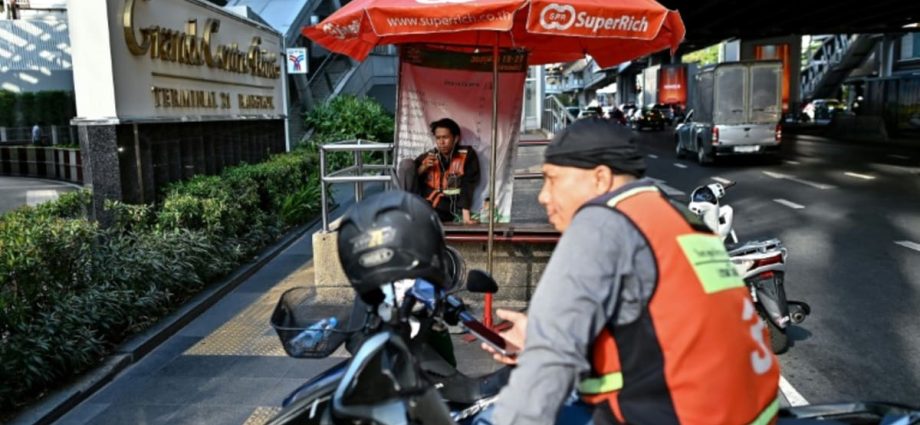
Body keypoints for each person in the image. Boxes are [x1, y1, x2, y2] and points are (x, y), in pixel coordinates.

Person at [480, 118, 780, 425]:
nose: (543, 195)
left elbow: (544, 371)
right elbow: (669, 321)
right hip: (754, 412)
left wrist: (545, 344)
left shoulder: (599, 224)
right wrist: (547, 332)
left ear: (600, 179)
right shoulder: (679, 217)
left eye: (552, 179)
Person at [397, 118, 480, 224]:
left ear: (456, 138)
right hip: (422, 203)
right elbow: (409, 179)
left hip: (446, 207)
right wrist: (423, 167)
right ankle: (405, 211)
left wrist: (466, 216)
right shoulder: (429, 156)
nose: (441, 142)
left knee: (425, 216)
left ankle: (413, 216)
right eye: (438, 138)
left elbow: (468, 184)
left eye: (445, 137)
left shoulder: (467, 155)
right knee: (406, 164)